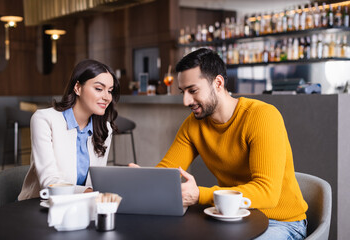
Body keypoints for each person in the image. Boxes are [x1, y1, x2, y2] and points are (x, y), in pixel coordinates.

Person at [138, 48, 308, 239]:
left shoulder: (262, 116)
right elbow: (167, 172)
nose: (186, 101)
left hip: (281, 222)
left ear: (218, 83)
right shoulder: (193, 125)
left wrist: (200, 195)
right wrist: (144, 180)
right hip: (230, 217)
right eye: (183, 92)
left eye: (193, 90)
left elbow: (267, 192)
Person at [18, 59, 120, 200]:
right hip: (41, 205)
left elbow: (95, 182)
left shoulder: (105, 129)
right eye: (98, 89)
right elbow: (50, 182)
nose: (107, 97)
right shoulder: (44, 119)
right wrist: (90, 193)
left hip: (82, 205)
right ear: (77, 88)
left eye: (110, 91)